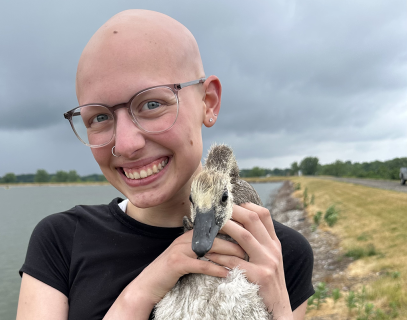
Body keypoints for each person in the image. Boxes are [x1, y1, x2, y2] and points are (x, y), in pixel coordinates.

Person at [16, 9, 314, 320]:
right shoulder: (60, 241)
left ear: (208, 102)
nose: (126, 144)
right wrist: (143, 290)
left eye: (152, 104)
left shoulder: (279, 254)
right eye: (100, 117)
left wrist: (280, 310)